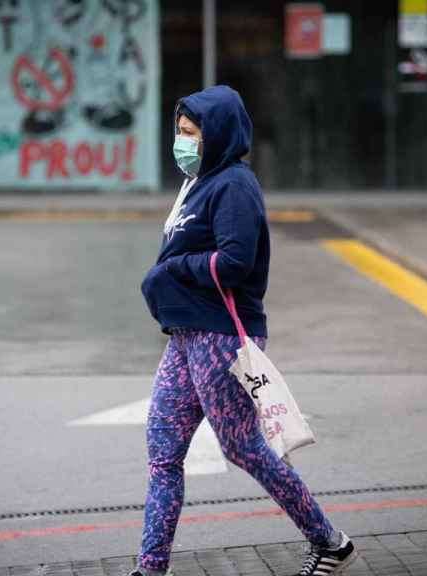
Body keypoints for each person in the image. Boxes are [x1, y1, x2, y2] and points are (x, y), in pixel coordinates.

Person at [137, 85, 357, 576]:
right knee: (163, 450)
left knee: (243, 447)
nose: (182, 142)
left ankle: (330, 542)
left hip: (221, 338)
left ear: (216, 134)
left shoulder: (234, 185)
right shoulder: (197, 183)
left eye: (190, 133)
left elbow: (236, 262)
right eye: (178, 132)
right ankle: (151, 567)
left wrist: (173, 272)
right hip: (186, 335)